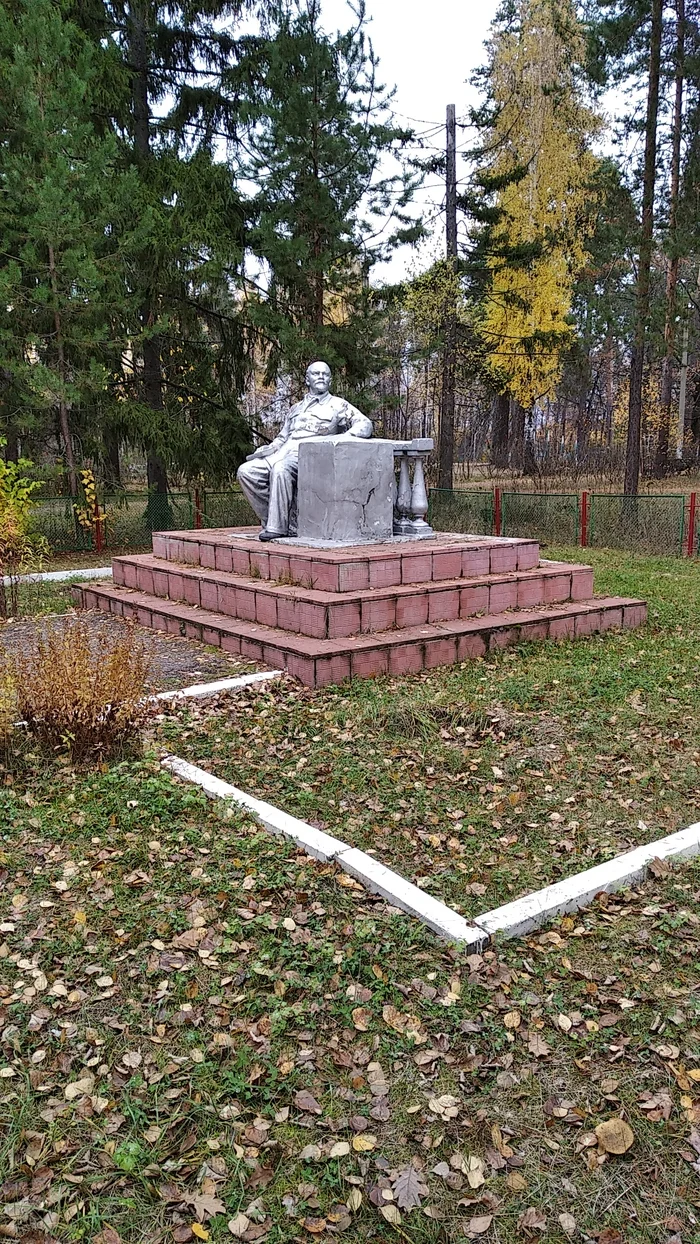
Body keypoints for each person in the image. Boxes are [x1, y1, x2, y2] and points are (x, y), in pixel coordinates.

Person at [237, 361, 373, 540]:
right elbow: (283, 436)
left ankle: (277, 527)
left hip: (309, 455)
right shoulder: (296, 408)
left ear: (330, 380)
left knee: (281, 469)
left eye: (325, 374)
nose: (321, 377)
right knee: (246, 472)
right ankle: (279, 519)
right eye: (316, 374)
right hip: (283, 451)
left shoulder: (338, 405)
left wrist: (341, 439)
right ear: (307, 379)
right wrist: (271, 447)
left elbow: (365, 424)